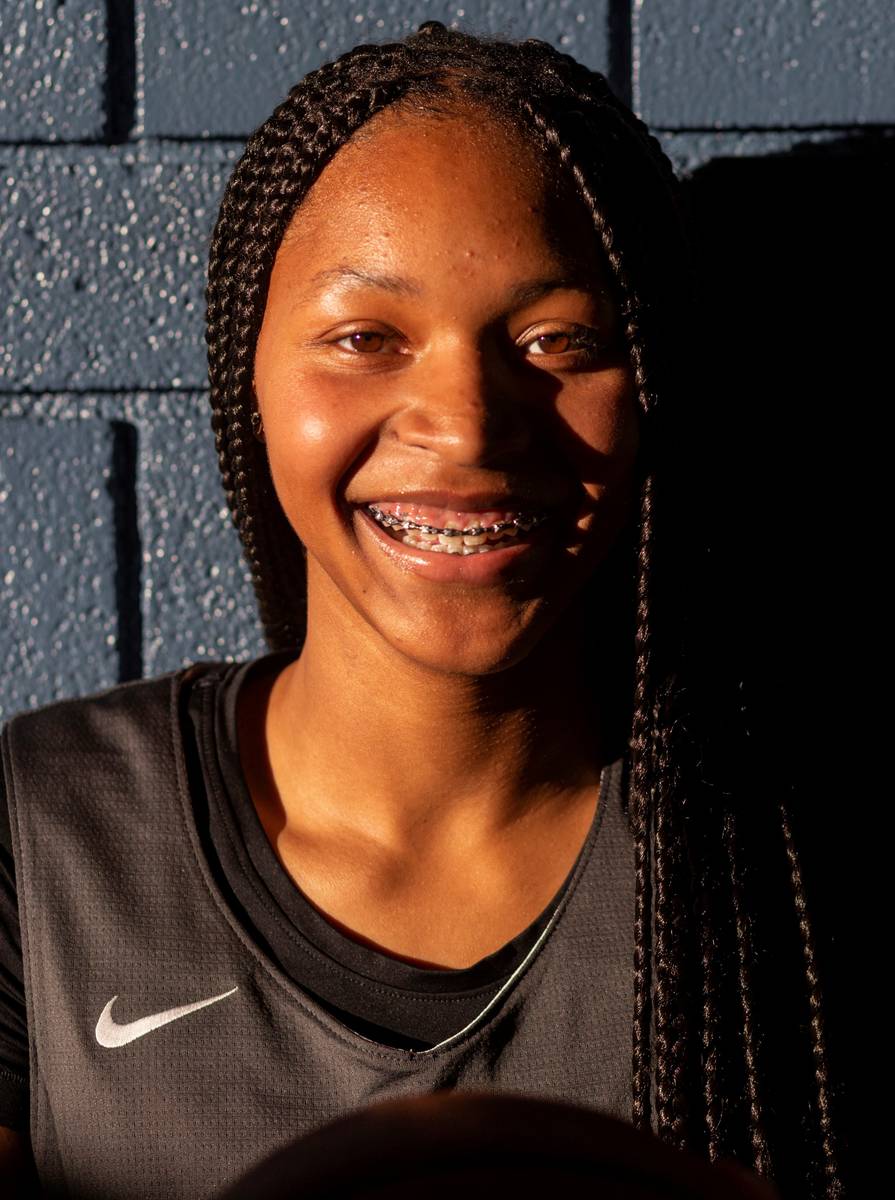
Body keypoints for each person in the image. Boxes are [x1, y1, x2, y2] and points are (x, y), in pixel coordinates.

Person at [0, 21, 843, 1200]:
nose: (468, 422)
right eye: (364, 339)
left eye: (559, 340)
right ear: (247, 376)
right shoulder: (41, 843)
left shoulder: (792, 867)